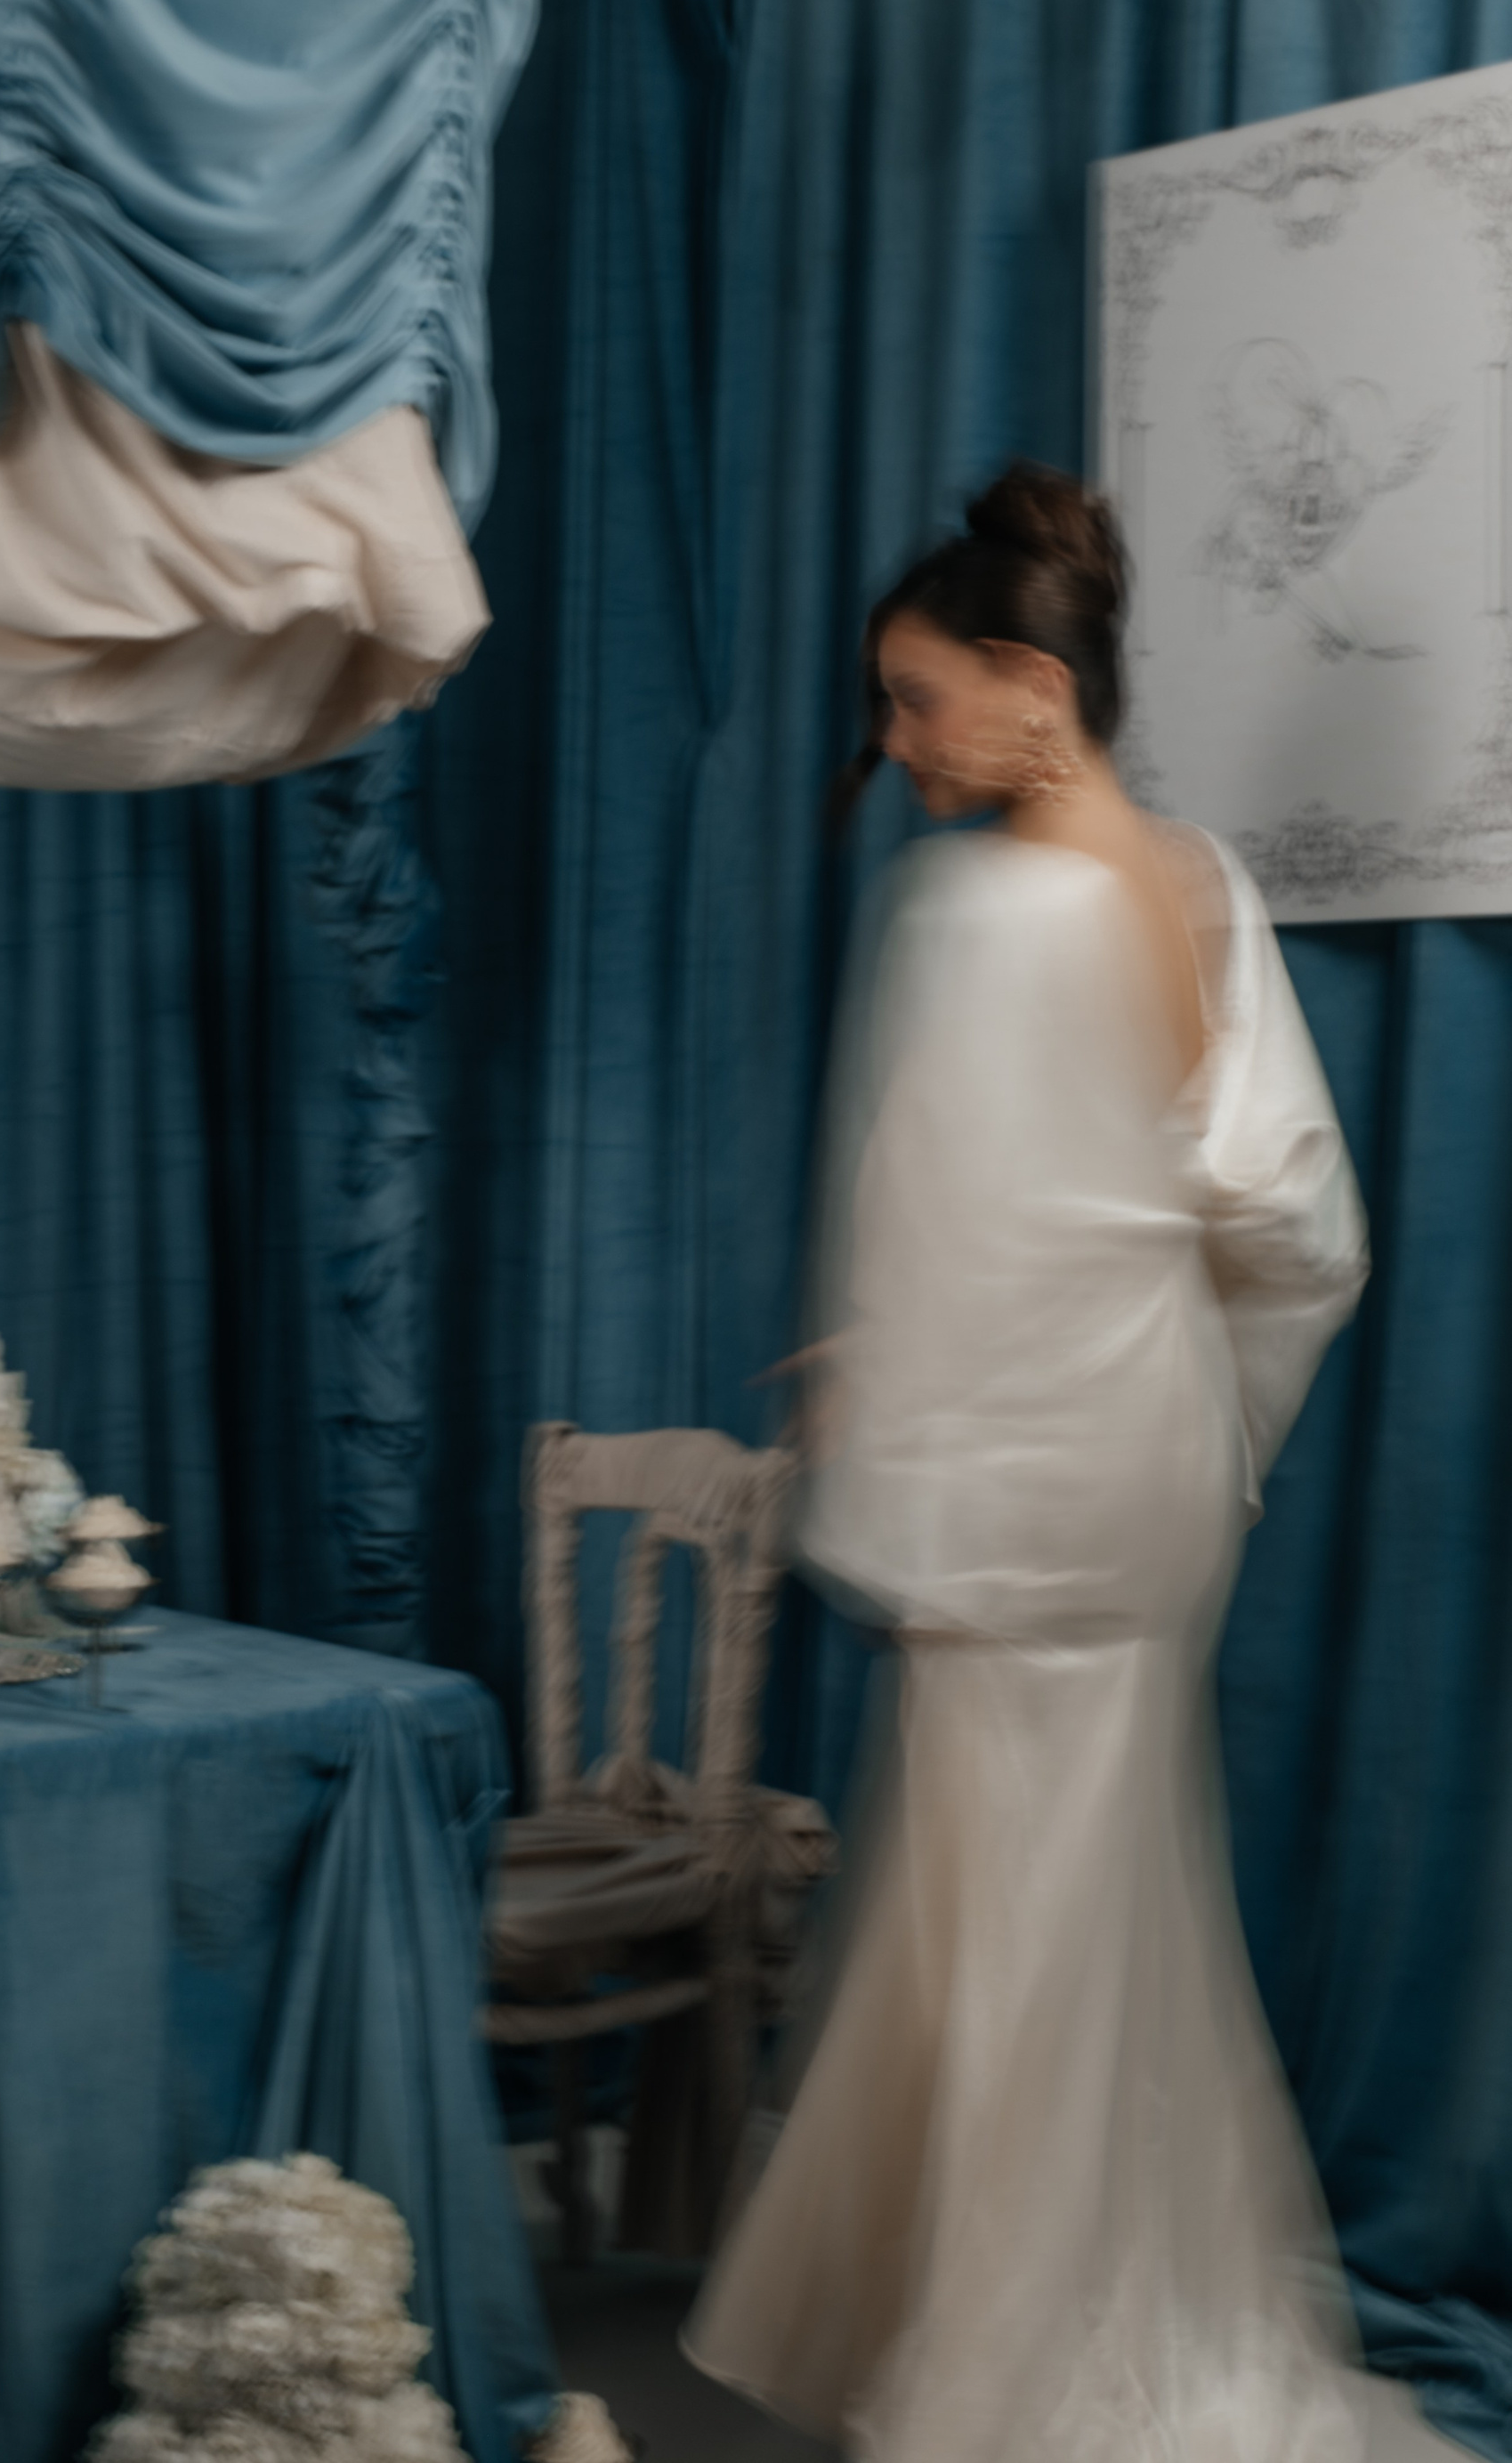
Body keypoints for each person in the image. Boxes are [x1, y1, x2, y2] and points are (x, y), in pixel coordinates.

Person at [681, 464, 1371, 2463]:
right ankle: (1079, 2315)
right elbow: (1292, 1227)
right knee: (1086, 1912)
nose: (896, 744)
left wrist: (905, 1384)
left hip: (1011, 1501)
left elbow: (955, 1212)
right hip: (1135, 1481)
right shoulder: (1200, 884)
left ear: (1030, 683)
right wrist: (1195, 1413)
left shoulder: (983, 906)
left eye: (915, 698)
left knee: (1009, 1926)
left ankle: (1010, 2372)